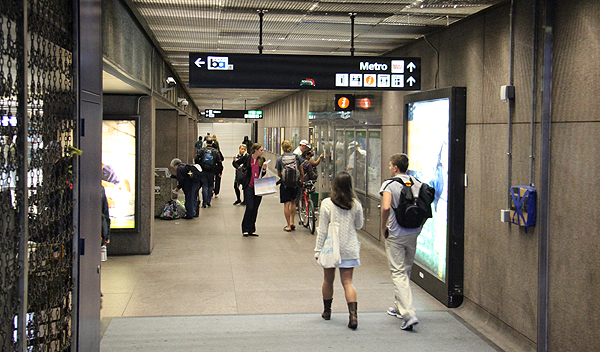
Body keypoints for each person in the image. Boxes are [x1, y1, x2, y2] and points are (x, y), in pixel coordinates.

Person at [379, 153, 423, 331]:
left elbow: (386, 206)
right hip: (413, 232)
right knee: (406, 269)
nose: (389, 168)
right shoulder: (417, 183)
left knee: (398, 273)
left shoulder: (389, 185)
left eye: (390, 165)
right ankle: (399, 306)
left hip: (396, 234)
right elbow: (425, 206)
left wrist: (383, 226)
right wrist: (419, 226)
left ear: (395, 168)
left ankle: (409, 314)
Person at [314, 171, 363, 330]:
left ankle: (327, 311)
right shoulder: (355, 204)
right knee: (347, 282)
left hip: (331, 248)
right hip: (349, 247)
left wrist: (318, 250)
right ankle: (353, 316)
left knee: (328, 280)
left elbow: (322, 230)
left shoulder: (327, 203)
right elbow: (359, 225)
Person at [232, 143, 267, 237]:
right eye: (261, 150)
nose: (262, 152)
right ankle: (245, 228)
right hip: (249, 185)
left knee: (255, 208)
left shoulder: (262, 160)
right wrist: (239, 168)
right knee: (250, 207)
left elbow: (262, 174)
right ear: (255, 150)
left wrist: (264, 169)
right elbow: (235, 163)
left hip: (258, 186)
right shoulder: (248, 158)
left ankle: (252, 229)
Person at [276, 140, 304, 232]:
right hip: (295, 183)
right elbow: (301, 171)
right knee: (293, 202)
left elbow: (279, 173)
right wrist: (301, 180)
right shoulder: (297, 158)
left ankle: (288, 225)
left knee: (286, 204)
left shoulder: (280, 159)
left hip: (285, 185)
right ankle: (292, 222)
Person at [195, 137, 223, 208]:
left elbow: (196, 159)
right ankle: (208, 201)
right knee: (211, 186)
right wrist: (220, 171)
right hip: (212, 171)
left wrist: (199, 166)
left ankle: (204, 203)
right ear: (212, 143)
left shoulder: (202, 150)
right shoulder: (215, 151)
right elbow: (219, 162)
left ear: (206, 143)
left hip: (203, 170)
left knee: (204, 186)